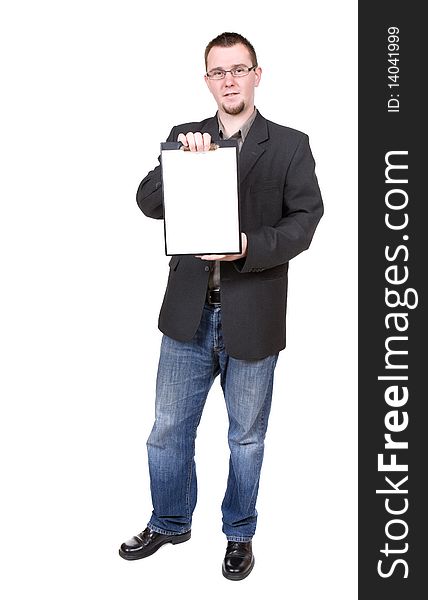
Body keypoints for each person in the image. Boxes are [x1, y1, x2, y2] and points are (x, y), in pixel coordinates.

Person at [119, 32, 323, 580]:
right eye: (218, 72)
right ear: (207, 79)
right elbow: (146, 201)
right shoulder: (185, 138)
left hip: (253, 313)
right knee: (167, 429)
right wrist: (179, 162)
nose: (229, 80)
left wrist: (248, 247)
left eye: (238, 69)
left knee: (246, 437)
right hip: (188, 314)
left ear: (257, 74)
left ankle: (239, 534)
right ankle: (168, 521)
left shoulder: (290, 144)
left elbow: (304, 223)